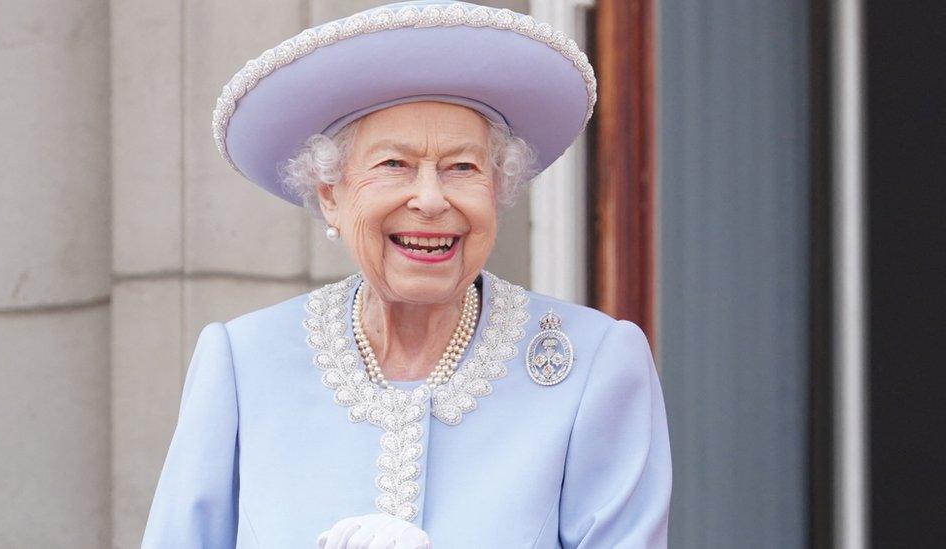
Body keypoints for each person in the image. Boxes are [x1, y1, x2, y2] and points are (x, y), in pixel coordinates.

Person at [142, 1, 671, 547]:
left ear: (497, 188)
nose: (430, 199)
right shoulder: (244, 362)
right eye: (393, 165)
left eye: (461, 167)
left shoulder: (595, 366)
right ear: (330, 194)